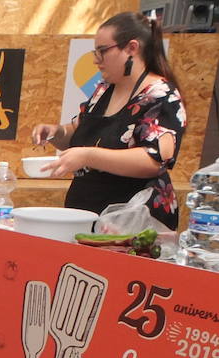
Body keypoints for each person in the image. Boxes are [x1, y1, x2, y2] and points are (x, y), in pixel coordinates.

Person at [33, 12, 186, 229]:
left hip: (133, 219)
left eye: (102, 51)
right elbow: (79, 133)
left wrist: (88, 156)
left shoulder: (161, 95)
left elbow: (154, 160)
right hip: (87, 212)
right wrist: (56, 132)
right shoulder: (104, 89)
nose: (96, 60)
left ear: (132, 48)